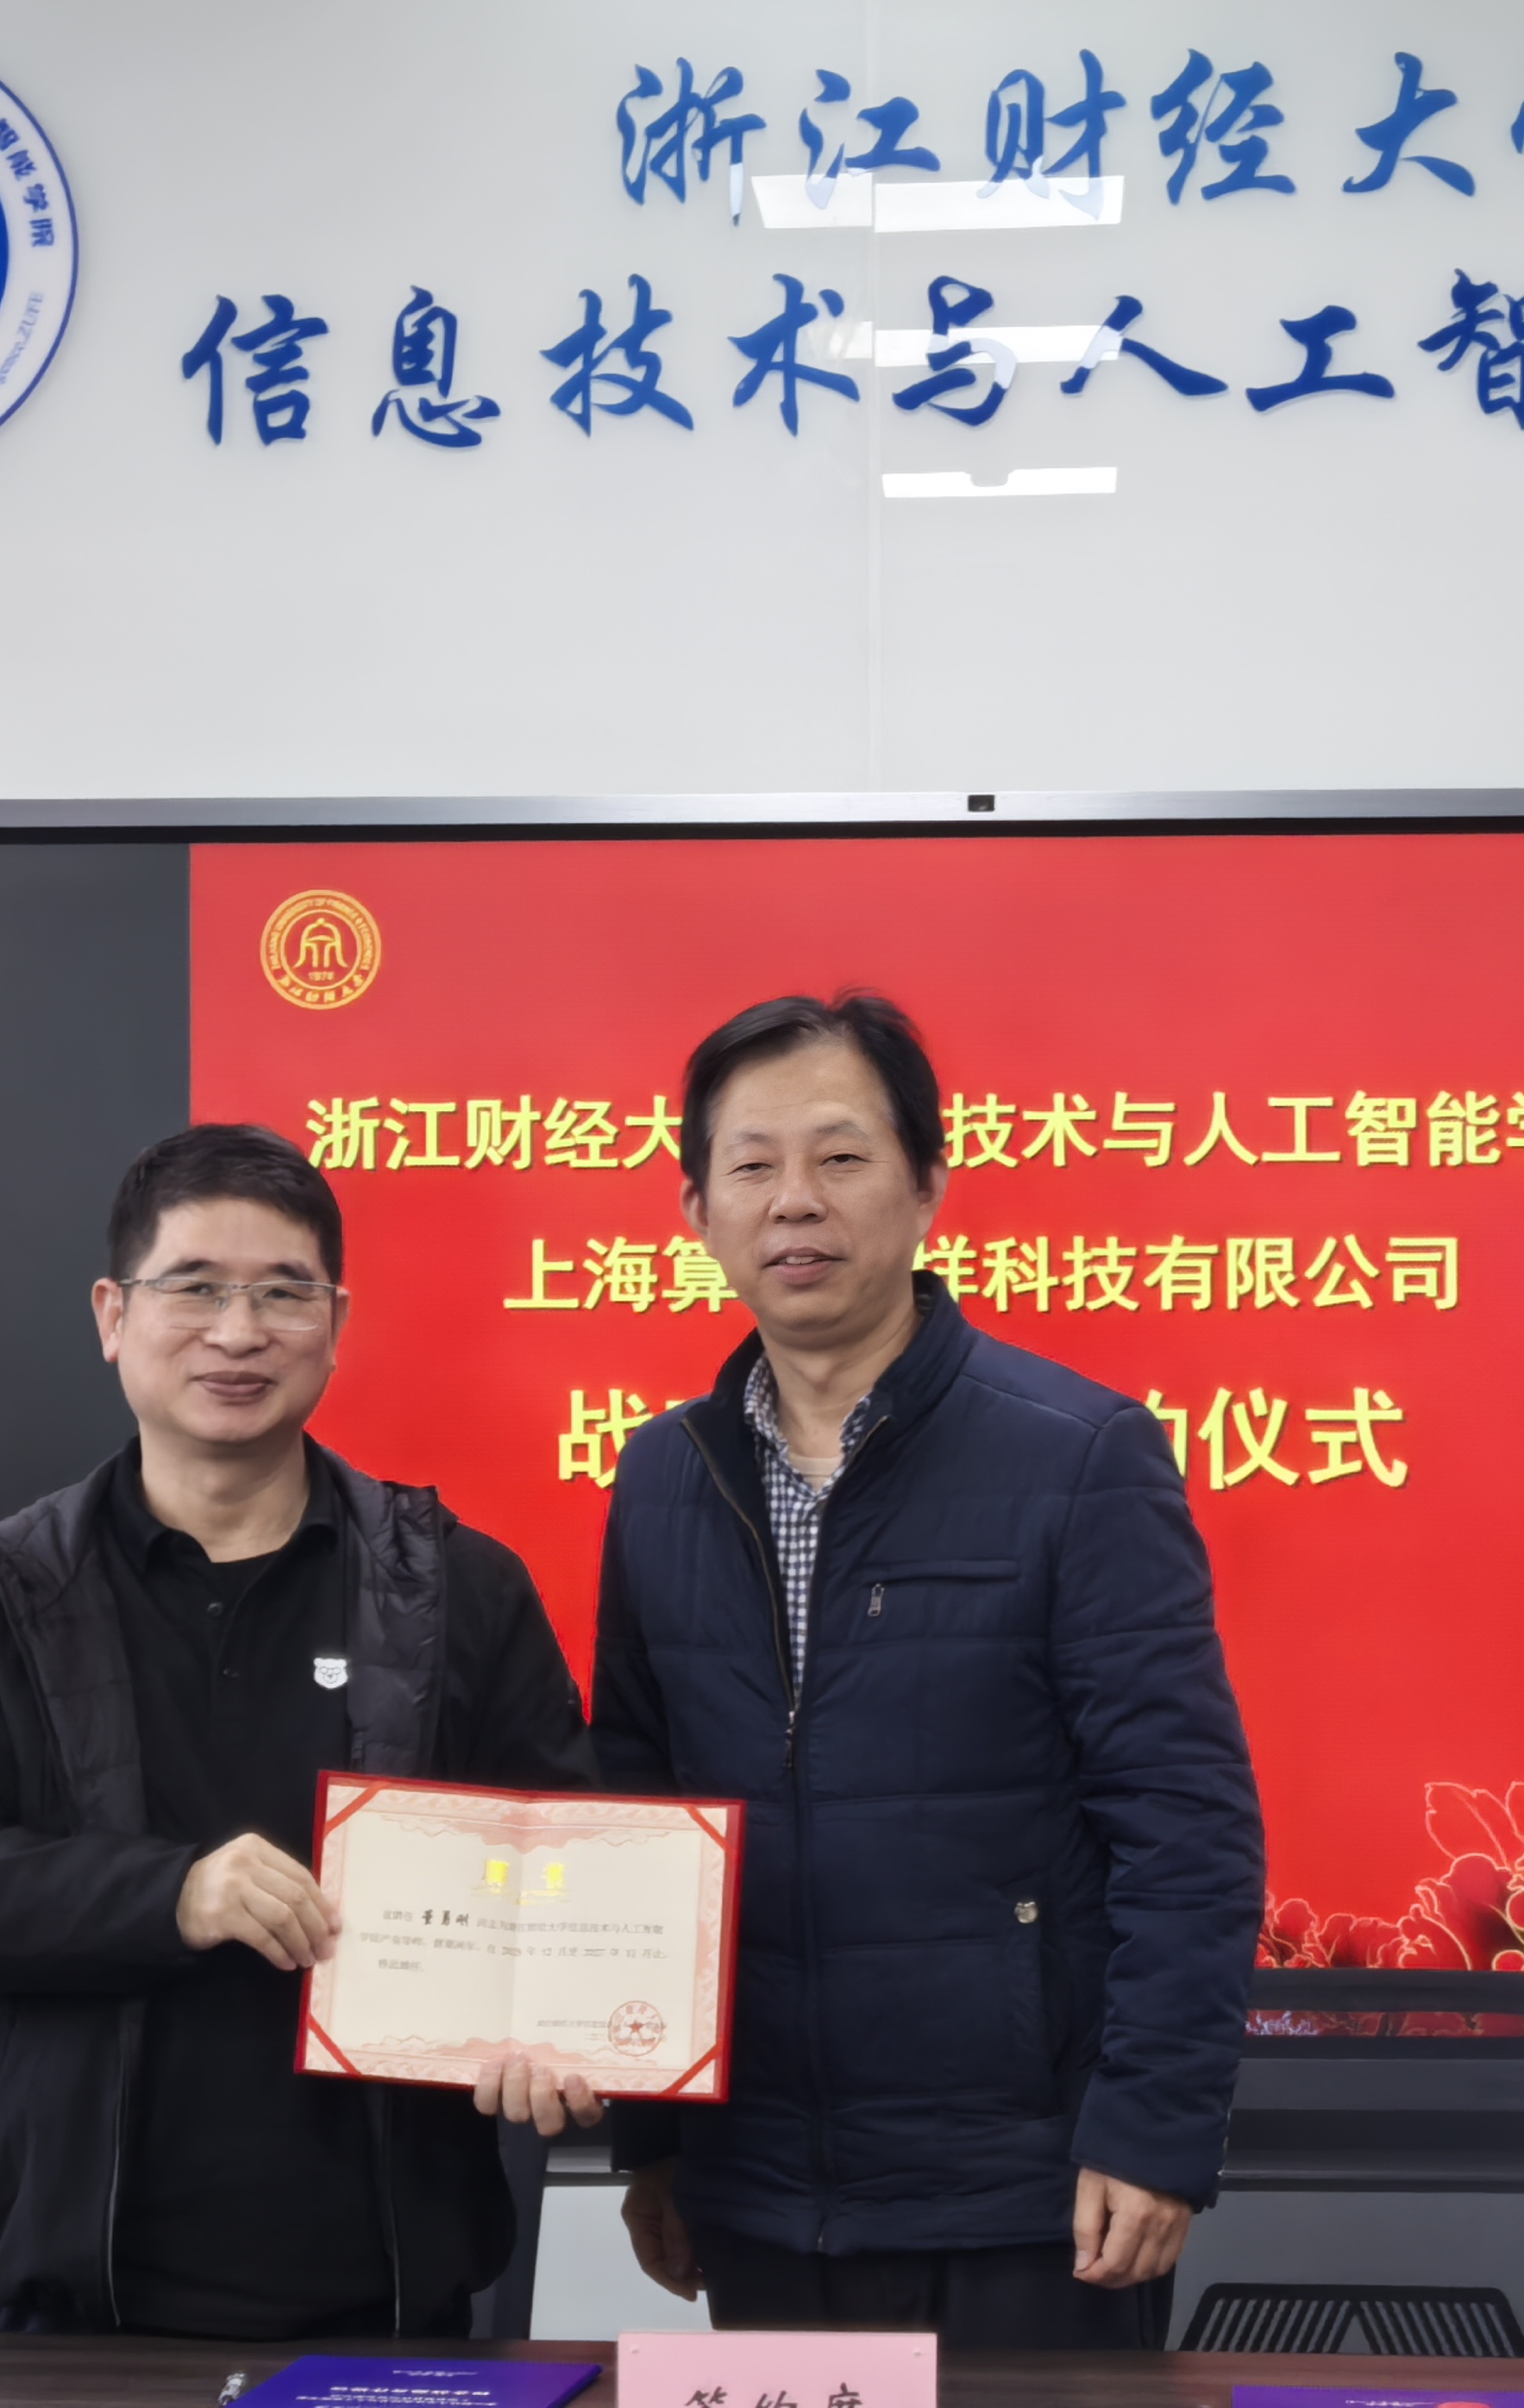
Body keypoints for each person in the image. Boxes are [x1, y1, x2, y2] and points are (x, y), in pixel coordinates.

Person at [0, 1122, 601, 2337]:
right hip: (71, 2308)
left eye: (284, 1293)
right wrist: (172, 1895)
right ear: (112, 1315)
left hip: (386, 2303)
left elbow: (572, 1869)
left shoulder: (460, 1587)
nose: (239, 1333)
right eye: (193, 1288)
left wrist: (562, 2027)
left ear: (335, 1324)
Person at [593, 992, 1266, 2347]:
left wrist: (1151, 2132)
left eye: (841, 1157)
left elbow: (1186, 1824)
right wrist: (652, 2141)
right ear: (697, 1210)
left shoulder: (1078, 1455)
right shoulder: (664, 1473)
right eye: (753, 1164)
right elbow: (637, 1816)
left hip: (1031, 2193)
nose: (796, 1200)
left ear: (926, 1186)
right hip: (759, 2190)